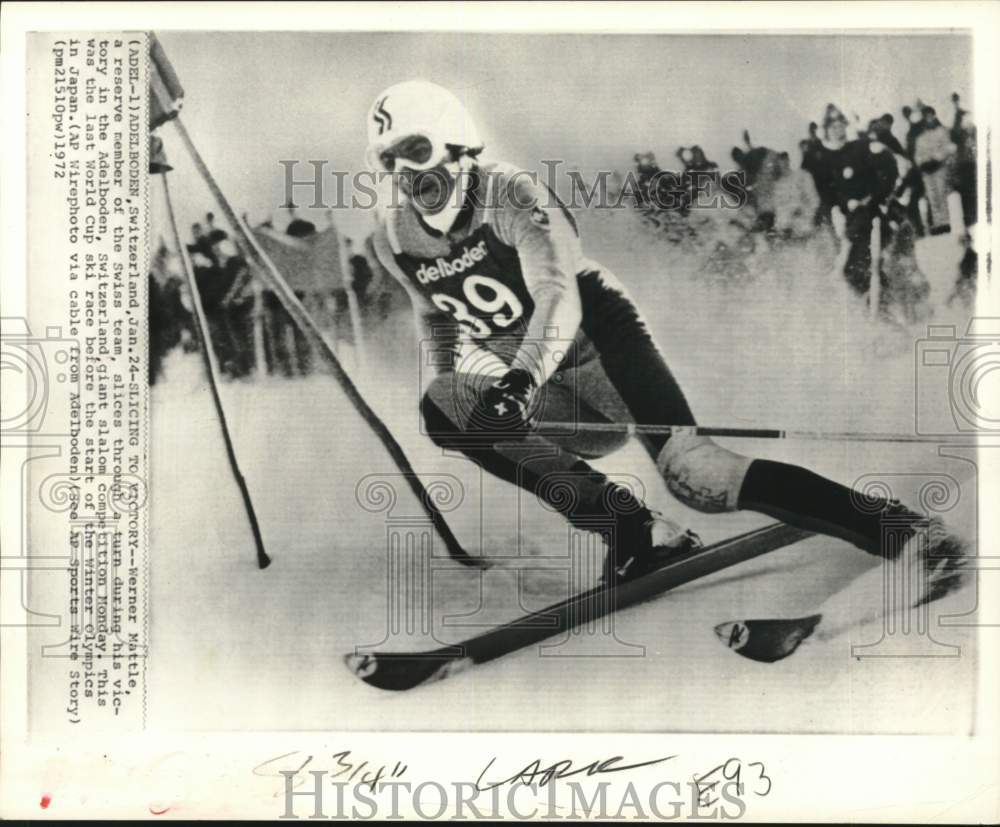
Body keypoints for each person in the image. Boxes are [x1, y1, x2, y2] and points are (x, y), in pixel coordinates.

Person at [364, 79, 966, 601]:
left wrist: (518, 380)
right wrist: (461, 398)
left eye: (417, 150)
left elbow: (557, 293)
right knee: (441, 406)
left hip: (599, 345)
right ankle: (631, 528)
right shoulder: (393, 238)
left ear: (456, 142)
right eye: (390, 161)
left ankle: (902, 530)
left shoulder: (509, 194)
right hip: (549, 388)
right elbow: (434, 312)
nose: (409, 175)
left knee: (698, 478)